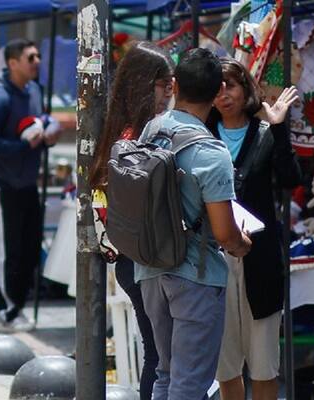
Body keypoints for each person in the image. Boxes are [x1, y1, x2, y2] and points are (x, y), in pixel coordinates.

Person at [134, 48, 252, 399]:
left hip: (150, 268)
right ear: (218, 92)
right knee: (188, 384)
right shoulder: (212, 152)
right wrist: (242, 244)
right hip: (195, 277)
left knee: (165, 375)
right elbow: (224, 233)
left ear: (174, 85)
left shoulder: (152, 130)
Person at [88, 41, 175, 400]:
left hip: (132, 257)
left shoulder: (119, 131)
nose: (169, 93)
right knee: (162, 357)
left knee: (158, 355)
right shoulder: (136, 138)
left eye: (171, 85)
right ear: (143, 85)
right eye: (163, 85)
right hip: (143, 257)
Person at [209, 59, 300, 400]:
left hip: (260, 259)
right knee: (225, 366)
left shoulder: (264, 134)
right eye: (216, 89)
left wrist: (278, 128)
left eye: (230, 86)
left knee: (263, 366)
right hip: (215, 258)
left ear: (245, 88)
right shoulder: (201, 135)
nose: (223, 95)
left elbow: (291, 179)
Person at [0, 38, 60, 332]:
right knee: (6, 250)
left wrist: (49, 132)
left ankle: (18, 307)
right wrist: (22, 146)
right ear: (12, 63)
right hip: (2, 184)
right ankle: (6, 311)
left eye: (38, 56)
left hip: (27, 183)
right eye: (30, 58)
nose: (37, 62)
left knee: (29, 247)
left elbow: (40, 120)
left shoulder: (34, 90)